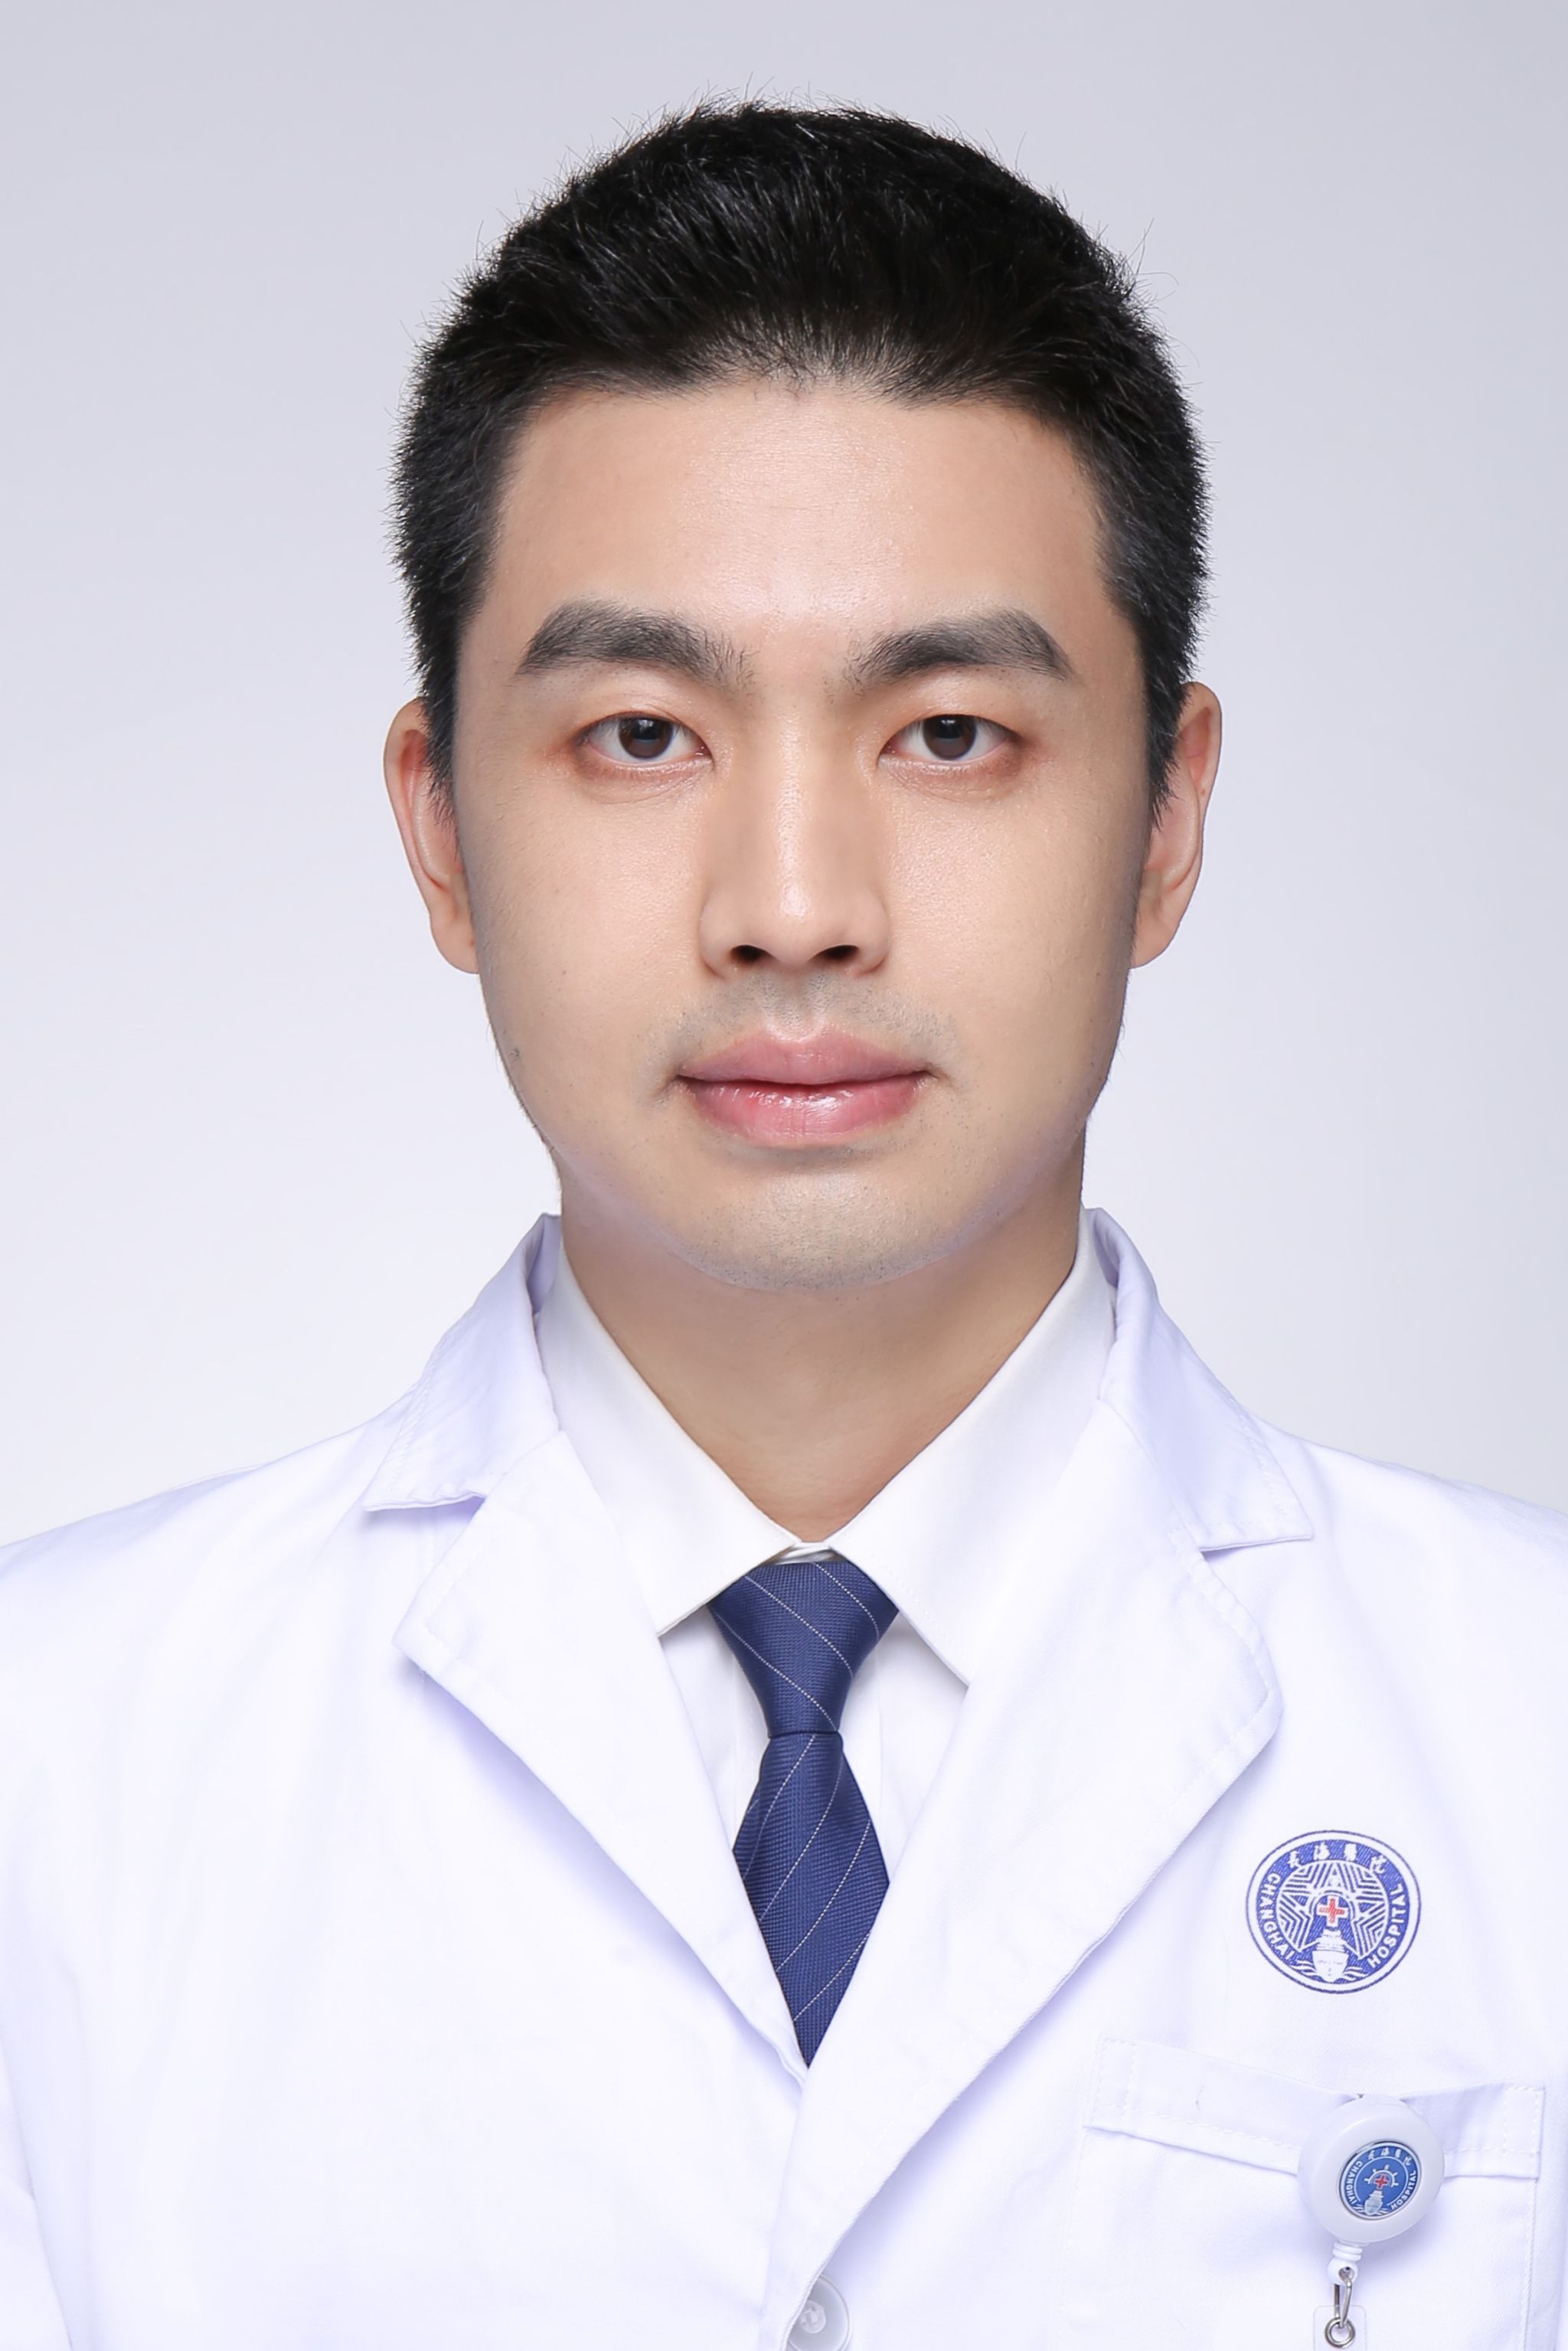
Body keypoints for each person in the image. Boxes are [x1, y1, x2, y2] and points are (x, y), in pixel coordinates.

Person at [1, 99, 1563, 2351]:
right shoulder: (58, 1764)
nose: (796, 908)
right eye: (644, 735)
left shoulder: (1529, 1731)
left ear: (1166, 819)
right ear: (440, 830)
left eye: (950, 734)